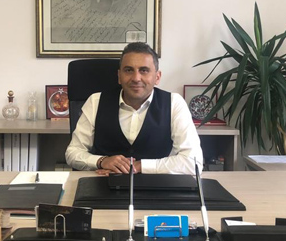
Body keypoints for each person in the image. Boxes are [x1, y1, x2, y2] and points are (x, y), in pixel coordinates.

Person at [65, 42, 204, 175]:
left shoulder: (174, 103)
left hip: (158, 184)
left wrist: (139, 166)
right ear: (119, 76)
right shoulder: (96, 101)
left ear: (157, 77)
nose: (136, 78)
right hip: (103, 182)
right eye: (128, 70)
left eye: (144, 70)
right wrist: (102, 161)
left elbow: (194, 162)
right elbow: (73, 153)